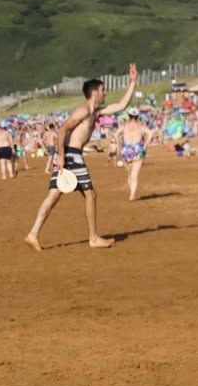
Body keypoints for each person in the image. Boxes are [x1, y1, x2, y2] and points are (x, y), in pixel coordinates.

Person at [24, 64, 138, 251]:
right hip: (71, 155)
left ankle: (33, 234)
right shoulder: (83, 111)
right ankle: (93, 238)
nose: (105, 93)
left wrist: (132, 82)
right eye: (103, 90)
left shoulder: (96, 112)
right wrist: (61, 156)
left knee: (54, 197)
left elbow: (121, 105)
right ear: (94, 92)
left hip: (71, 155)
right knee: (90, 194)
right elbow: (63, 130)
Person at [118, 112, 152, 201]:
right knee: (134, 174)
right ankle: (132, 194)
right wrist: (145, 145)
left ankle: (132, 193)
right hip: (138, 149)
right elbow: (150, 134)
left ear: (129, 116)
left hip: (126, 150)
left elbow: (116, 134)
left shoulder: (124, 126)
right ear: (137, 117)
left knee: (130, 173)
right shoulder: (141, 127)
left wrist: (119, 145)